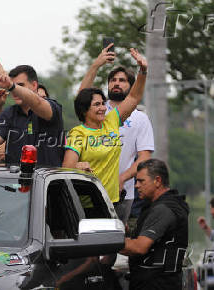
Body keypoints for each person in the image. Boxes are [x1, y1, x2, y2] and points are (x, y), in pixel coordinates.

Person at [78, 43, 155, 222]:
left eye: (122, 80)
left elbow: (144, 157)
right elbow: (81, 97)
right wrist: (96, 65)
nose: (116, 83)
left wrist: (121, 178)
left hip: (122, 192)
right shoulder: (98, 111)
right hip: (88, 189)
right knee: (87, 244)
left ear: (131, 85)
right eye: (112, 80)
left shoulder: (140, 118)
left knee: (113, 245)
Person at [63, 48, 148, 203]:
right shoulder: (78, 133)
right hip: (85, 204)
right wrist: (77, 165)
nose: (103, 107)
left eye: (103, 103)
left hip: (111, 202)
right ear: (84, 110)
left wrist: (142, 71)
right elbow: (66, 167)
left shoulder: (112, 121)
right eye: (97, 104)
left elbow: (134, 97)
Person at [0, 62, 64, 167]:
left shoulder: (53, 107)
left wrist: (11, 85)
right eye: (12, 87)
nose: (14, 91)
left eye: (20, 85)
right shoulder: (9, 113)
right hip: (15, 181)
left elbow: (38, 103)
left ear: (35, 85)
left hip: (46, 181)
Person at [120, 159, 189, 290]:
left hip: (157, 284)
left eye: (141, 181)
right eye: (136, 181)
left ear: (157, 180)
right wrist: (128, 234)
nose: (136, 185)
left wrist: (108, 242)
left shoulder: (163, 209)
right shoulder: (163, 206)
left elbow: (140, 247)